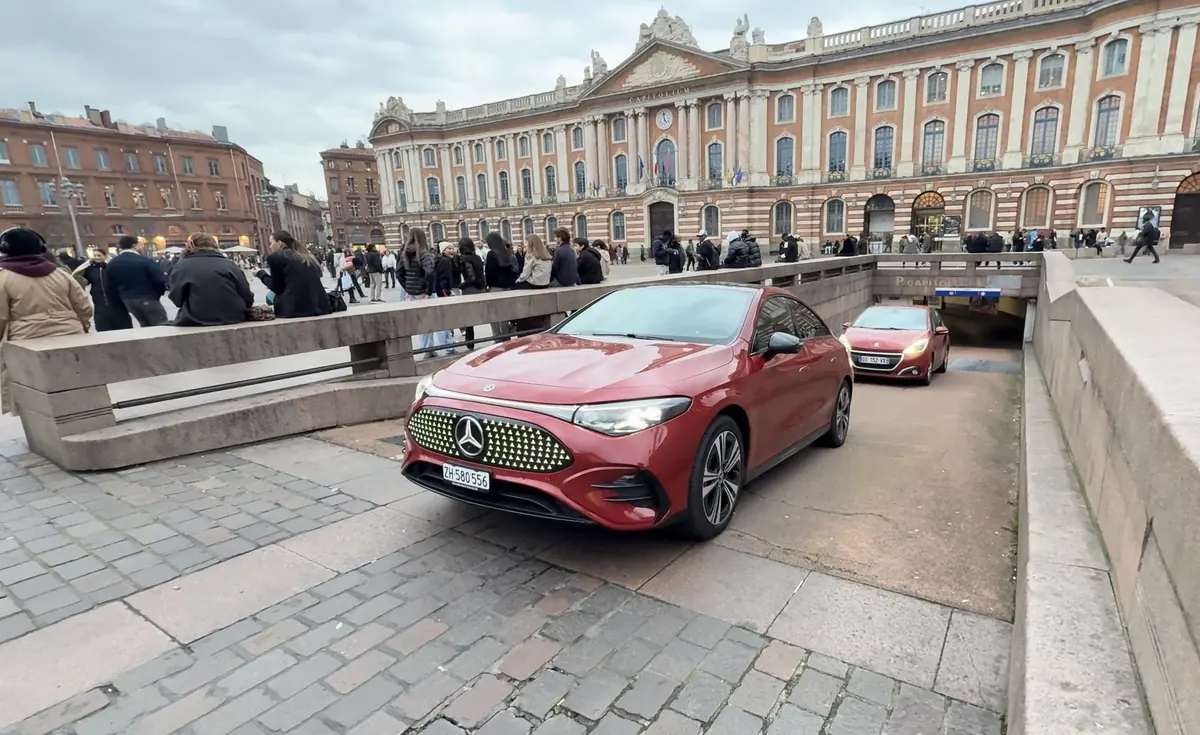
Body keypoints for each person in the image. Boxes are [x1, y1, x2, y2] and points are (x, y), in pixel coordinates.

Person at [0, 228, 94, 413]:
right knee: (76, 386)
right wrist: (80, 327)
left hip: (26, 342)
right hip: (71, 336)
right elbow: (84, 308)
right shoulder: (60, 274)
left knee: (36, 396)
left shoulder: (3, 277)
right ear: (41, 248)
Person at [168, 233, 253, 326]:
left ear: (190, 246)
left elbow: (177, 298)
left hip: (196, 318)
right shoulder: (229, 264)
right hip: (235, 316)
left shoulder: (181, 266)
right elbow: (246, 294)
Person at [256, 231, 332, 318]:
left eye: (271, 242)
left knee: (269, 296)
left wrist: (260, 274)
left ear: (280, 243)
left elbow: (277, 288)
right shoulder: (305, 256)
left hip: (295, 308)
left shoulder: (276, 257)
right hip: (321, 306)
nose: (270, 246)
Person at [103, 234, 168, 326]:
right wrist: (157, 294)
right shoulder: (145, 261)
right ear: (134, 245)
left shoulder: (112, 263)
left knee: (144, 324)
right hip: (147, 297)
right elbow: (159, 280)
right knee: (161, 324)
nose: (141, 247)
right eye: (140, 244)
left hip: (127, 300)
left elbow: (109, 286)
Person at [72, 250, 133, 331]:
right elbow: (76, 275)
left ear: (105, 256)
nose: (97, 258)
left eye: (99, 255)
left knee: (124, 328)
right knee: (103, 328)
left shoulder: (111, 267)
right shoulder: (90, 269)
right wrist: (88, 263)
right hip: (99, 304)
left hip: (117, 303)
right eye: (95, 256)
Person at [458, 238, 486, 349]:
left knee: (468, 319)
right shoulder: (477, 257)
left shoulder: (464, 259)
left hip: (470, 290)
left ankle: (470, 343)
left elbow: (471, 277)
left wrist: (461, 286)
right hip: (481, 288)